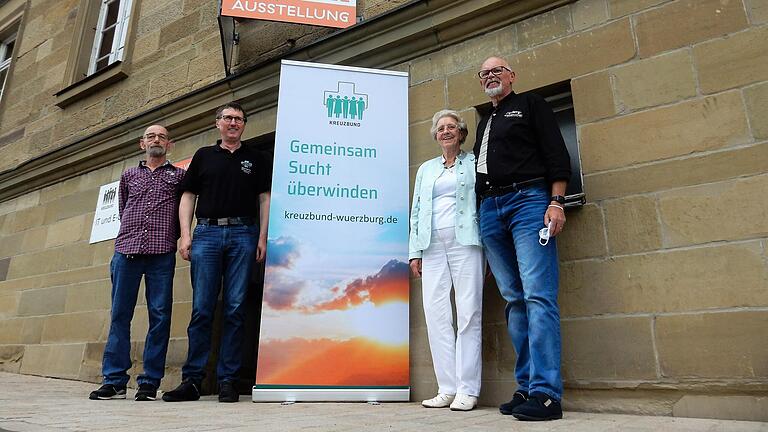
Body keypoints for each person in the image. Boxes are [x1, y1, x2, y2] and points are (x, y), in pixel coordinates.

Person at [474, 57, 571, 421]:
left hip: (528, 202)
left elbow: (556, 154)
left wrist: (557, 201)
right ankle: (528, 387)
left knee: (537, 295)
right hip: (489, 210)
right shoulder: (485, 121)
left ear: (511, 76)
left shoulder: (531, 104)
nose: (491, 76)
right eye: (484, 73)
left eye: (497, 70)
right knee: (514, 299)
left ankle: (547, 395)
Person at [162, 102, 271, 403]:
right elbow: (187, 196)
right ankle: (192, 381)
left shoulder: (256, 158)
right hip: (207, 234)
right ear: (217, 124)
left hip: (244, 234)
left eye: (238, 119)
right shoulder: (203, 156)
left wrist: (262, 236)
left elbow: (264, 199)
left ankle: (228, 380)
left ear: (244, 125)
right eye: (228, 118)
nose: (233, 123)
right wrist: (186, 235)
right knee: (202, 309)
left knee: (236, 308)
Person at [89, 125, 185, 401]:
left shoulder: (179, 176)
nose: (157, 140)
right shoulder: (129, 175)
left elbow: (182, 210)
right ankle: (115, 380)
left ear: (170, 144)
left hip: (161, 254)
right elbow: (124, 208)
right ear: (141, 143)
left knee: (160, 316)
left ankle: (149, 383)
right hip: (126, 251)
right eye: (151, 136)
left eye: (162, 137)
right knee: (120, 315)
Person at [409, 110, 484, 411]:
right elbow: (416, 210)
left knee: (469, 312)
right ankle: (447, 387)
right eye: (440, 128)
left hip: (466, 241)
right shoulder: (426, 169)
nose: (445, 131)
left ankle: (468, 388)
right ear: (435, 135)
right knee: (436, 313)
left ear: (462, 133)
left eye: (451, 127)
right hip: (431, 246)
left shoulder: (473, 163)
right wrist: (414, 251)